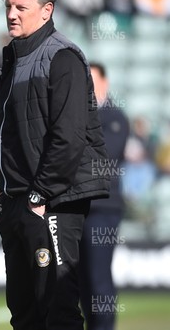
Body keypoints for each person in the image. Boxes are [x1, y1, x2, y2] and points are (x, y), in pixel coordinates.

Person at [0, 0, 110, 330]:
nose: (12, 14)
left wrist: (39, 195)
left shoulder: (63, 57)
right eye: (9, 6)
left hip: (52, 201)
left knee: (58, 310)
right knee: (24, 315)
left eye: (21, 7)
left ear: (47, 10)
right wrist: (8, 199)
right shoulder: (15, 60)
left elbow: (69, 135)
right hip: (19, 202)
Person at [78, 62, 129, 330]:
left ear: (105, 84)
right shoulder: (76, 116)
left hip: (103, 209)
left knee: (99, 276)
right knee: (82, 279)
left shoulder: (114, 117)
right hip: (78, 208)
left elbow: (105, 157)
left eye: (93, 81)